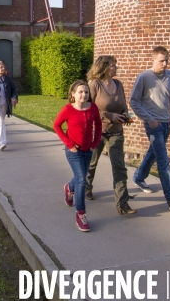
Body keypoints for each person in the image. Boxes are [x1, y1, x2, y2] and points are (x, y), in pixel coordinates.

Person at [130, 46, 170, 212]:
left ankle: (139, 177)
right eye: (161, 60)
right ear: (153, 60)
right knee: (163, 160)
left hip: (166, 123)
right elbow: (134, 101)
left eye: (167, 60)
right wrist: (149, 119)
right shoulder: (144, 77)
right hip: (153, 125)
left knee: (153, 152)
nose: (165, 64)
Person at [85, 56, 137, 216]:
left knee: (119, 167)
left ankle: (122, 203)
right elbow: (88, 108)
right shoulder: (94, 84)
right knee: (91, 163)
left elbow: (122, 104)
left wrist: (124, 115)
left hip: (116, 131)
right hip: (97, 131)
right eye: (113, 65)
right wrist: (109, 115)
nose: (116, 68)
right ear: (104, 67)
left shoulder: (118, 84)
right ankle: (86, 187)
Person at [53, 80, 102, 232]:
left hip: (88, 149)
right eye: (80, 92)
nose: (84, 94)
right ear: (73, 94)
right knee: (82, 179)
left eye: (86, 92)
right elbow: (56, 125)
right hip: (73, 150)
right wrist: (68, 144)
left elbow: (99, 125)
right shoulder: (68, 109)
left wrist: (95, 142)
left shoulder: (92, 107)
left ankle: (69, 187)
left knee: (80, 177)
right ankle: (81, 213)